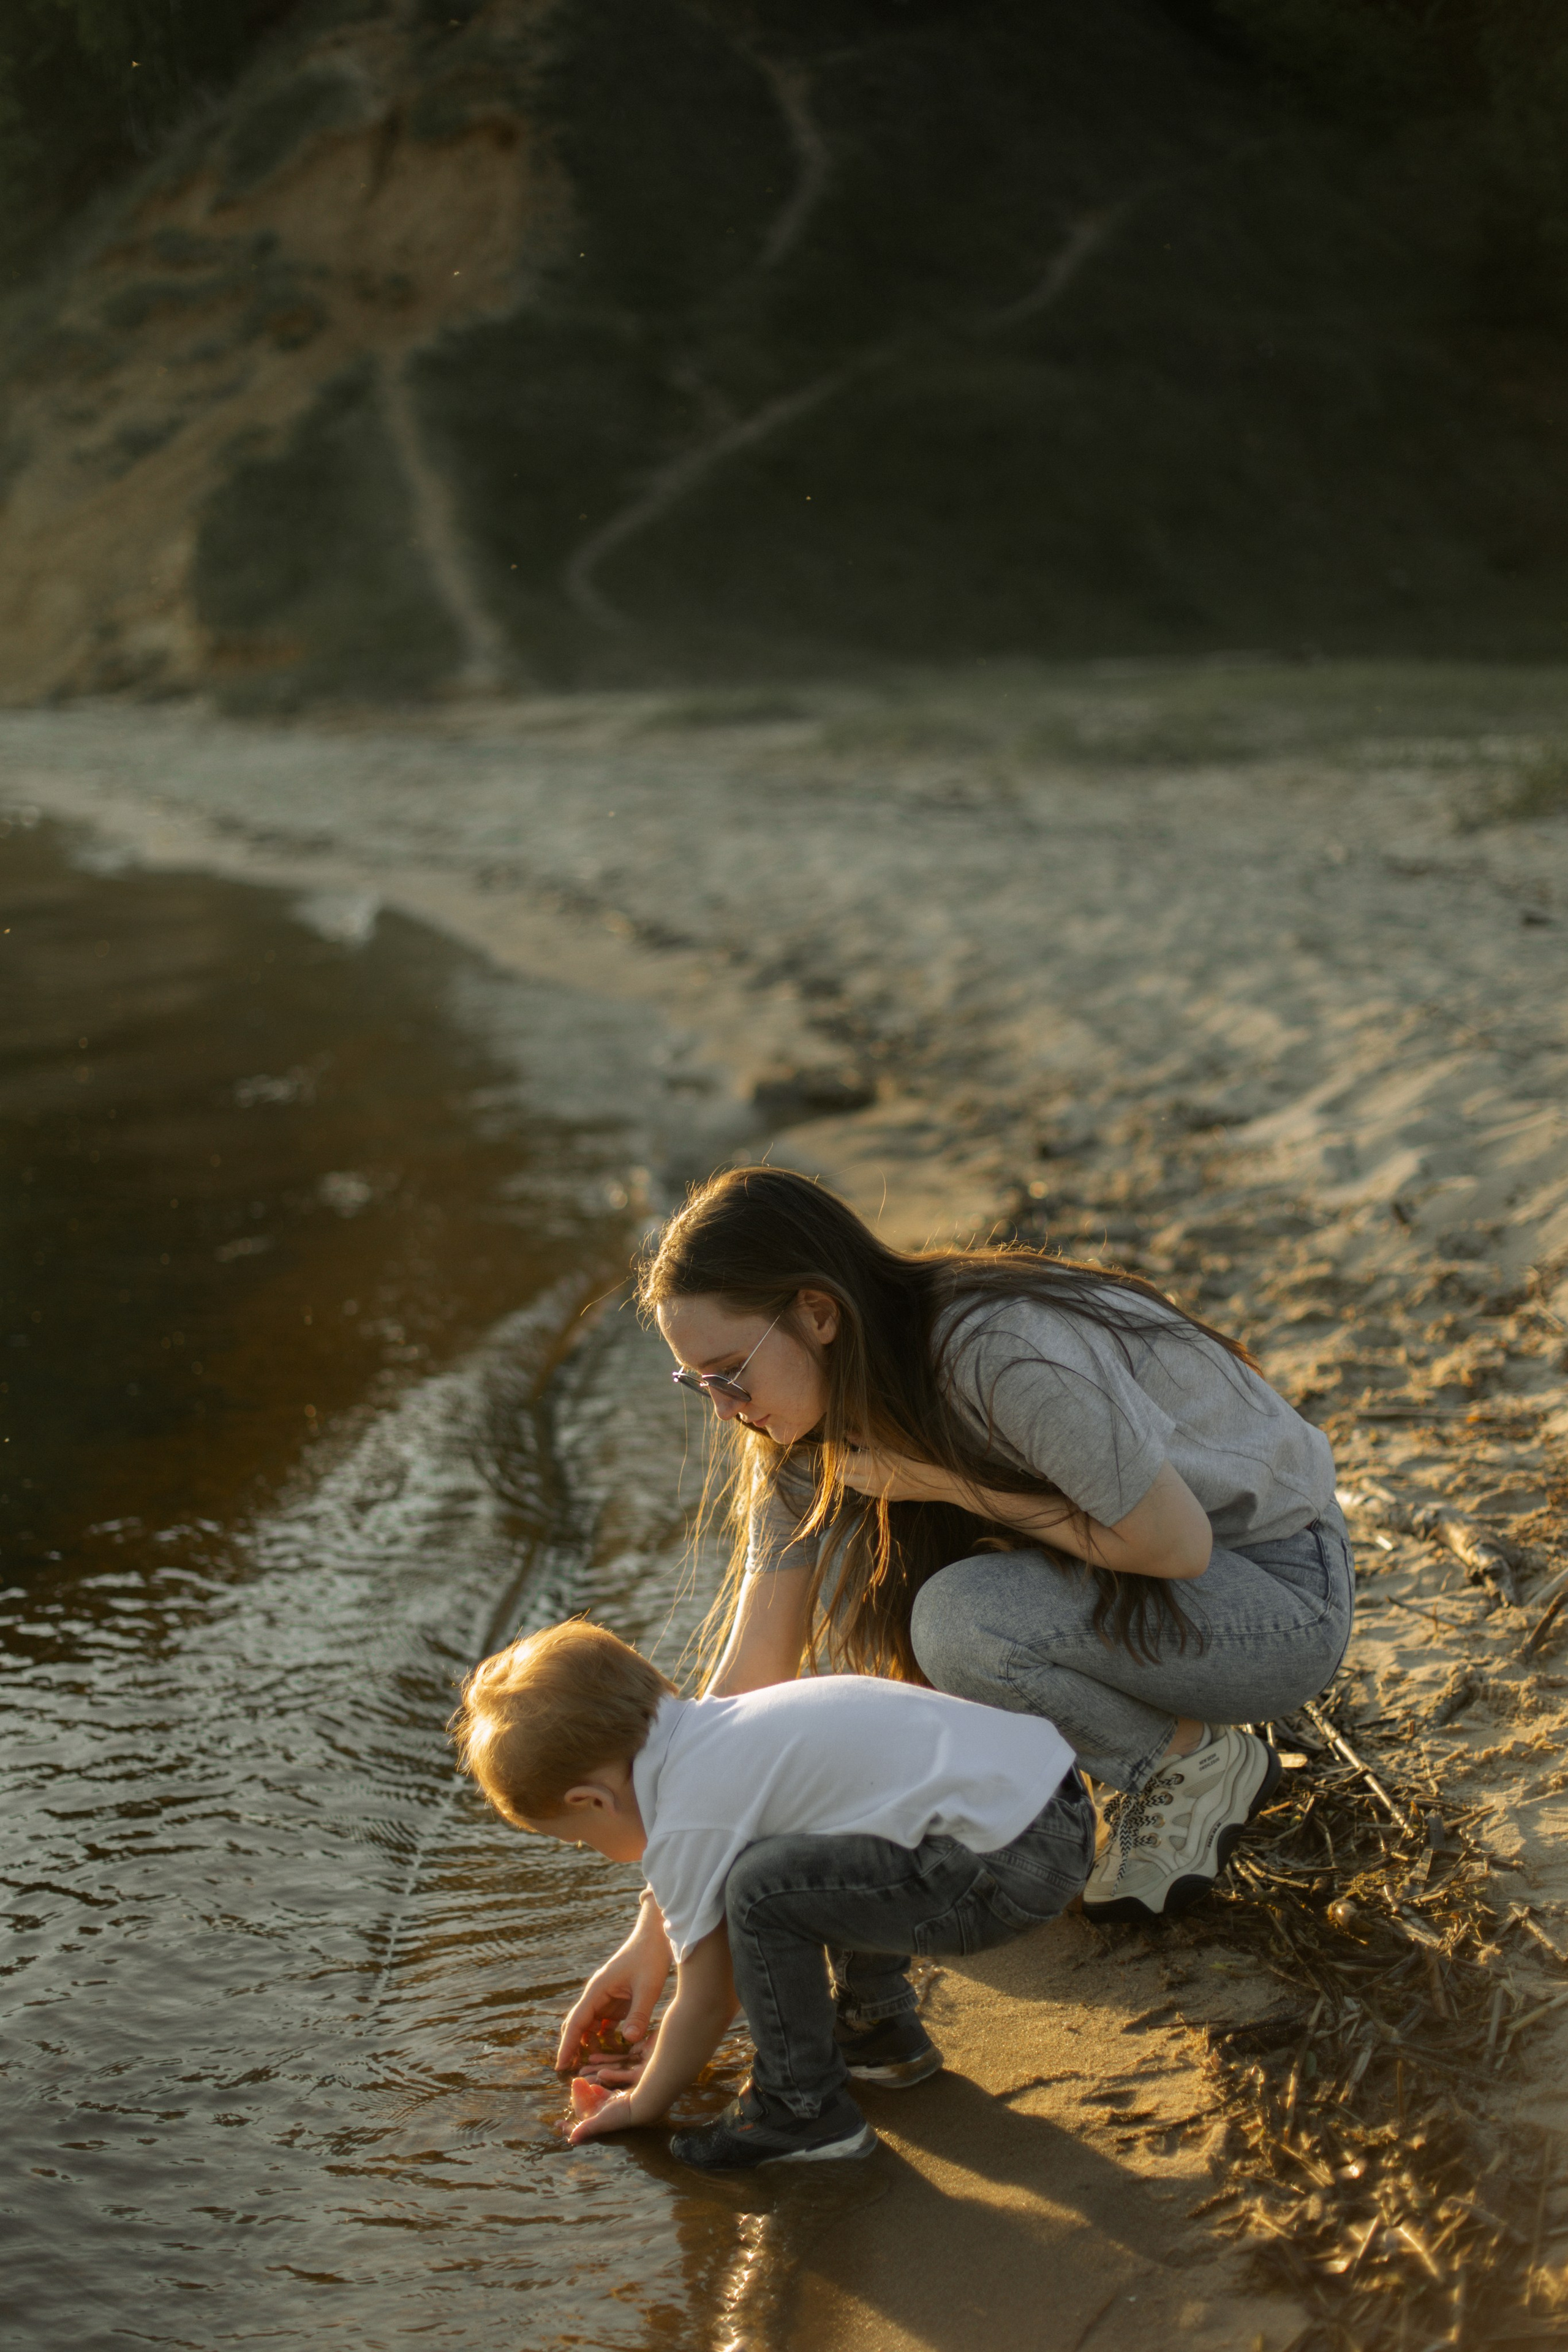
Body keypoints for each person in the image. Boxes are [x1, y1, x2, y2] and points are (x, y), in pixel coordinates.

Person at [557, 1164, 1353, 2086]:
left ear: (818, 1312)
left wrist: (941, 1483)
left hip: (1279, 1595)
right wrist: (659, 1933)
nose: (730, 1410)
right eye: (699, 1385)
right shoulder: (798, 1431)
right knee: (858, 1632)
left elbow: (1177, 1546)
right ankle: (1139, 1756)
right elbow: (756, 1671)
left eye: (731, 1373)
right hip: (1165, 1603)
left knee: (957, 1616)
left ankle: (1183, 1761)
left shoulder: (995, 1356)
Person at [450, 1616, 1091, 2169]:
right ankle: (877, 2034)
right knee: (814, 1852)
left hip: (1002, 1865)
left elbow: (710, 1997)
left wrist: (644, 2102)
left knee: (759, 1891)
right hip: (1052, 1811)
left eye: (579, 1838)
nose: (593, 1849)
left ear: (589, 1801)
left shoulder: (686, 1816)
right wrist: (672, 2036)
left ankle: (803, 2111)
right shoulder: (729, 1728)